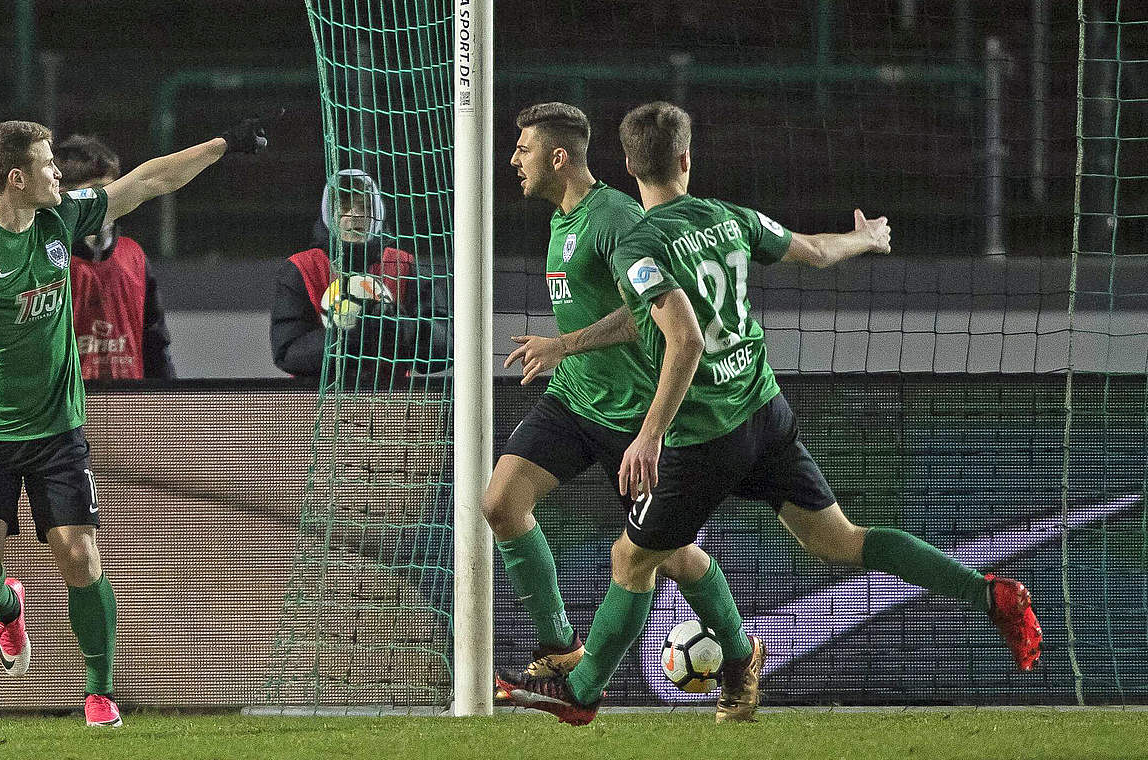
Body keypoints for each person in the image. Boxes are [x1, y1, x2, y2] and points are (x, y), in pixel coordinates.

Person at [496, 101, 1042, 726]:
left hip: (703, 435)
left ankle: (582, 691)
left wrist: (649, 436)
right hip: (765, 413)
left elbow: (685, 339)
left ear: (625, 164)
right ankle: (990, 591)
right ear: (685, 159)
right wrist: (864, 238)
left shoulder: (638, 243)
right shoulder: (729, 219)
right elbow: (812, 250)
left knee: (632, 559)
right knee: (841, 541)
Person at [0, 118, 268, 727]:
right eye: (46, 164)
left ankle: (99, 691)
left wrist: (221, 143)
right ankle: (8, 605)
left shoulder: (58, 219)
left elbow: (147, 183)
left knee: (79, 555)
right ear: (16, 179)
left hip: (57, 431)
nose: (57, 172)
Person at [487, 103, 754, 703]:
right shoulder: (562, 220)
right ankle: (558, 649)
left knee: (674, 556)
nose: (513, 161)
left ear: (559, 157)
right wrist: (567, 356)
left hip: (633, 414)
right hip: (574, 400)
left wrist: (565, 343)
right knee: (501, 503)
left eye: (523, 149)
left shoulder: (617, 219)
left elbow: (647, 320)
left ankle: (739, 651)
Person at [270, 169, 450, 385]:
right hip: (318, 403)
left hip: (392, 402)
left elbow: (445, 349)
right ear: (329, 214)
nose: (355, 214)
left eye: (365, 207)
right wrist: (344, 339)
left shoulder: (405, 267)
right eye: (345, 206)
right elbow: (287, 353)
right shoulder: (302, 268)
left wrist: (405, 329)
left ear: (379, 214)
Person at [53, 134, 176, 381]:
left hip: (129, 406)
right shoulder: (46, 258)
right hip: (65, 412)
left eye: (113, 190)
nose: (109, 201)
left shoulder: (134, 256)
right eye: (97, 192)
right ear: (62, 195)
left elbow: (155, 342)